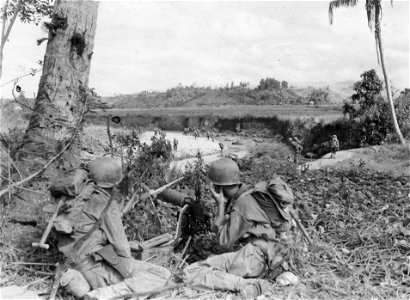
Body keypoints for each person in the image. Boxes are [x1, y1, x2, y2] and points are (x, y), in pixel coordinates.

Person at [53, 157, 170, 299]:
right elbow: (122, 248)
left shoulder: (71, 198)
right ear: (114, 182)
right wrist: (127, 262)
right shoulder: (105, 202)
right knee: (162, 275)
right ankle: (102, 295)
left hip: (70, 261)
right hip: (94, 267)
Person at [182, 158, 294, 298]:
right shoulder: (249, 194)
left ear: (218, 187)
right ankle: (259, 277)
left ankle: (250, 286)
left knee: (190, 272)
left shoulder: (243, 203)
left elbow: (223, 242)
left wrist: (220, 205)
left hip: (254, 259)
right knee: (211, 256)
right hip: (267, 255)